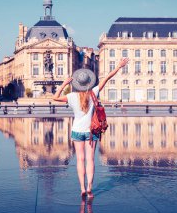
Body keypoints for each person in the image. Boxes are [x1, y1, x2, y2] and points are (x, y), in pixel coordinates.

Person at [53, 58, 129, 198]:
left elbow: (55, 98)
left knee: (80, 160)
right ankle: (89, 188)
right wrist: (118, 67)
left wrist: (64, 84)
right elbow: (106, 78)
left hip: (77, 132)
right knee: (90, 160)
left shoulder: (71, 96)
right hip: (91, 132)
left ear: (77, 83)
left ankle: (82, 188)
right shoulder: (94, 92)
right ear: (89, 82)